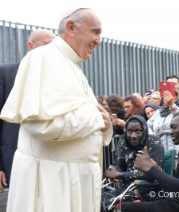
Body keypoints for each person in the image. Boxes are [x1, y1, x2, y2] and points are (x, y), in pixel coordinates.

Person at [0, 8, 113, 212]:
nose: (99, 41)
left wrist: (105, 125)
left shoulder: (72, 65)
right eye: (95, 32)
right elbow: (44, 125)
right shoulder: (43, 57)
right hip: (52, 180)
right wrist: (98, 119)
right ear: (71, 27)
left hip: (72, 178)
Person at [0, 29, 56, 192]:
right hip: (12, 165)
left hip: (48, 164)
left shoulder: (59, 78)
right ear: (31, 46)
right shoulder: (6, 73)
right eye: (47, 45)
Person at [121, 111, 179, 212]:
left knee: (129, 208)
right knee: (126, 207)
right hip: (175, 202)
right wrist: (156, 168)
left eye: (174, 127)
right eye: (170, 127)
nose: (170, 132)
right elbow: (173, 182)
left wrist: (150, 169)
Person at [101, 115, 164, 211]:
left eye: (138, 131)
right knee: (101, 200)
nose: (133, 136)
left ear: (144, 131)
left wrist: (119, 174)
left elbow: (151, 174)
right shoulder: (124, 143)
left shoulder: (154, 143)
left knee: (116, 204)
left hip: (148, 191)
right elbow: (120, 164)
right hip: (127, 189)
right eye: (130, 132)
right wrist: (113, 172)